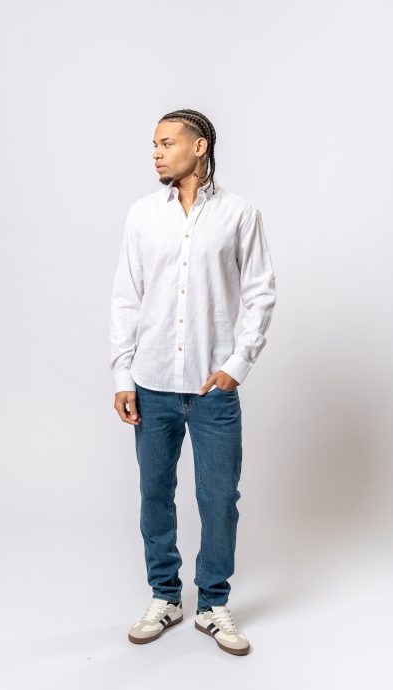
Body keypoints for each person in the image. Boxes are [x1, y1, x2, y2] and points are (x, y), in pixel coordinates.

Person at [109, 108, 276, 656]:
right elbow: (126, 298)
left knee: (219, 497)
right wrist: (123, 373)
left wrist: (237, 365)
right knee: (155, 494)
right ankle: (165, 596)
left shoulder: (239, 214)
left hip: (213, 389)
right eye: (154, 144)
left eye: (166, 143)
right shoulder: (141, 215)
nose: (156, 153)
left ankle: (211, 603)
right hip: (152, 382)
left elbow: (260, 292)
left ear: (199, 146)